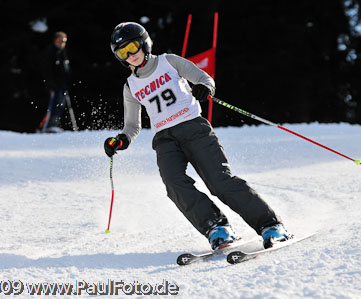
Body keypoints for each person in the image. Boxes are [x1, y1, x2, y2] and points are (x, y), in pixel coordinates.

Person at [104, 22, 291, 250]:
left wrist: (205, 88)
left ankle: (270, 225)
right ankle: (216, 227)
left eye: (132, 47)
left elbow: (205, 78)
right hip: (165, 139)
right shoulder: (130, 86)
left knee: (219, 181)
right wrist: (121, 140)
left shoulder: (169, 62)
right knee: (174, 185)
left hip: (193, 127)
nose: (130, 55)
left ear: (145, 43)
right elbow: (132, 126)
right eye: (123, 52)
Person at [39, 31, 77, 133]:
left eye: (63, 41)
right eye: (58, 40)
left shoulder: (63, 53)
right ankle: (45, 126)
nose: (61, 43)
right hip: (53, 85)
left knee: (60, 105)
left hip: (62, 84)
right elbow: (47, 70)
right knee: (52, 105)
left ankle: (53, 125)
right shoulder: (50, 52)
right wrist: (50, 84)